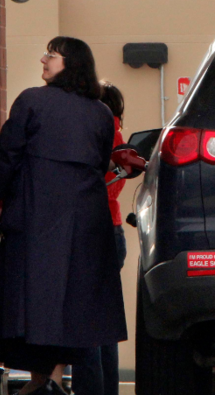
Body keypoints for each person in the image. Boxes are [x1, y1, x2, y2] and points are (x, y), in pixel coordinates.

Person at [0, 37, 128, 395]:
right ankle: (54, 379)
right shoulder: (102, 113)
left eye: (52, 55)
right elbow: (99, 165)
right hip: (87, 223)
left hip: (34, 216)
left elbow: (7, 154)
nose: (43, 60)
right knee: (73, 300)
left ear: (71, 64)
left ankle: (39, 383)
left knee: (30, 298)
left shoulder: (31, 100)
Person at [71, 81, 127, 395]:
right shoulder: (116, 135)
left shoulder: (97, 133)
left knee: (84, 324)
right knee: (104, 325)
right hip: (112, 228)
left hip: (92, 231)